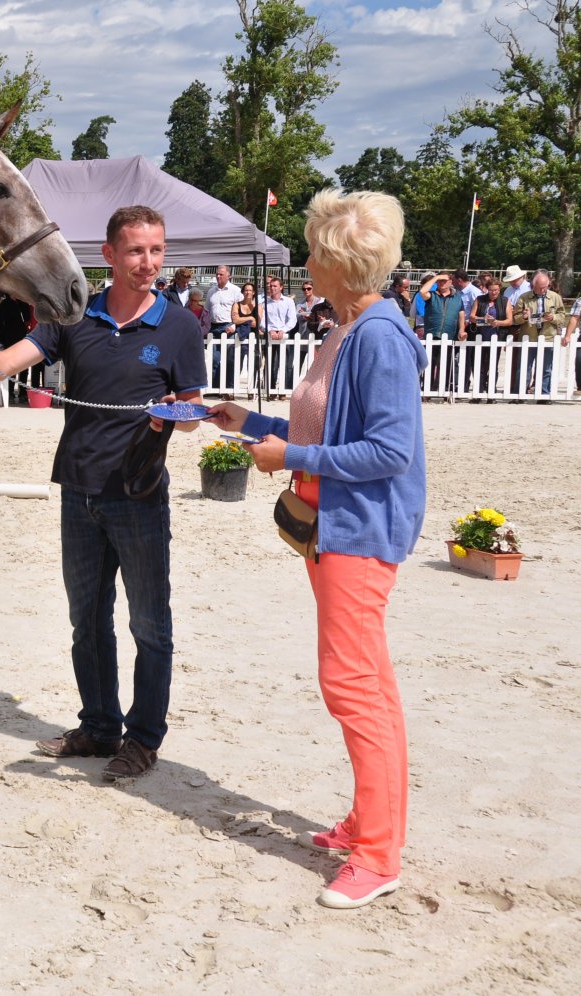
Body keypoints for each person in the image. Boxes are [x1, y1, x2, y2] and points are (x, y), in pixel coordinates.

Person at [207, 189, 425, 910]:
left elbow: (389, 451)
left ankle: (378, 855)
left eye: (312, 252)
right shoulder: (349, 327)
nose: (304, 263)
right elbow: (325, 428)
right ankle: (371, 824)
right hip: (334, 525)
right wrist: (249, 422)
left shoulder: (378, 336)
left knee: (352, 686)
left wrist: (291, 455)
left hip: (358, 529)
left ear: (340, 263)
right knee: (365, 684)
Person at [0, 204, 207, 782]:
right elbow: (2, 366)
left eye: (157, 250)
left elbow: (195, 409)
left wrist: (175, 412)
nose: (149, 262)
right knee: (87, 622)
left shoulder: (179, 325)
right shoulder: (72, 315)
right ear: (109, 255)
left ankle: (143, 739)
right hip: (79, 491)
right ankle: (98, 727)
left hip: (139, 494)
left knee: (150, 625)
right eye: (137, 251)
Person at [515, 268, 564, 400]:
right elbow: (515, 318)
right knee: (524, 367)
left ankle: (544, 394)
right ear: (533, 285)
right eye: (540, 288)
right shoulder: (524, 297)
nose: (543, 290)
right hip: (528, 337)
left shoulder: (555, 297)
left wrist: (552, 317)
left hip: (548, 337)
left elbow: (562, 315)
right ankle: (520, 394)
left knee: (546, 368)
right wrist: (524, 317)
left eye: (545, 287)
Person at [468, 274, 515, 402]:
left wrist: (496, 322)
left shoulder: (505, 301)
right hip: (480, 336)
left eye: (496, 290)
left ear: (499, 289)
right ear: (487, 289)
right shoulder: (479, 299)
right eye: (491, 290)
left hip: (496, 336)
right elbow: (471, 317)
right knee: (478, 365)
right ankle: (478, 392)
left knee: (492, 365)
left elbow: (509, 321)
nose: (494, 292)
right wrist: (483, 319)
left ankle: (491, 392)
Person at [420, 272, 466, 396]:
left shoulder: (457, 297)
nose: (442, 283)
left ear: (451, 282)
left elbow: (461, 315)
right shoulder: (432, 295)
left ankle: (444, 389)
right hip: (432, 334)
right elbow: (422, 292)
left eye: (444, 281)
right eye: (440, 281)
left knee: (446, 364)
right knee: (430, 364)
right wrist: (436, 277)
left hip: (449, 335)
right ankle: (427, 390)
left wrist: (461, 329)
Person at [206, 265, 242, 393]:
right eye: (217, 274)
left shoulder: (236, 291)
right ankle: (214, 387)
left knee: (229, 359)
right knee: (213, 358)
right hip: (213, 326)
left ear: (228, 276)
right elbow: (207, 310)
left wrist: (234, 325)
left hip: (228, 326)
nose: (218, 276)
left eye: (221, 274)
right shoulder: (211, 291)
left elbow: (242, 311)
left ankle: (227, 388)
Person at [263, 275, 298, 391]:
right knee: (270, 363)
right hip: (270, 334)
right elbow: (262, 320)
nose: (272, 288)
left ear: (281, 287)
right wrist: (270, 330)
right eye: (271, 286)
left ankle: (284, 389)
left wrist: (283, 330)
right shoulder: (264, 303)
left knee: (286, 363)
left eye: (275, 286)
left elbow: (292, 319)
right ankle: (271, 388)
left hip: (284, 335)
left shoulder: (288, 302)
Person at [231, 280, 259, 397]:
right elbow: (235, 320)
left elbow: (257, 323)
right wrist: (250, 318)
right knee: (236, 363)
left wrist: (244, 320)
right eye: (246, 290)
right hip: (240, 337)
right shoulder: (236, 304)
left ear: (254, 292)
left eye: (250, 290)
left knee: (253, 364)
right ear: (242, 292)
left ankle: (251, 390)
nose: (248, 292)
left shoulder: (258, 306)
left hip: (253, 337)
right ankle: (232, 388)